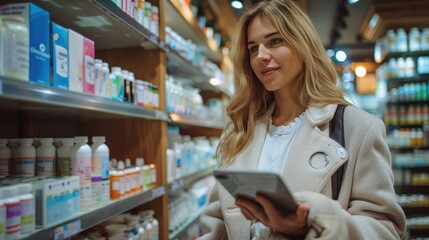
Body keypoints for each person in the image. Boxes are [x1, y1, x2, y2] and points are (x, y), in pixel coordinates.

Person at [198, 0, 406, 239]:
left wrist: (316, 222)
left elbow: (385, 229)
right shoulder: (243, 130)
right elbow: (219, 223)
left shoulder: (357, 127)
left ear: (302, 44)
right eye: (253, 48)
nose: (261, 56)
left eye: (274, 41)